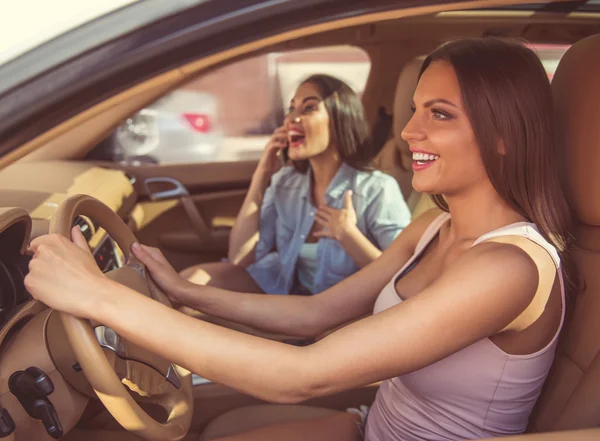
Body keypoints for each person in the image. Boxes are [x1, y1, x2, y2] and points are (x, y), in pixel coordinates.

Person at [26, 38, 575, 441]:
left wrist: (99, 296)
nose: (409, 132)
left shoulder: (510, 267)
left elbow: (303, 376)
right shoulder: (432, 228)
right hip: (371, 425)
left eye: (440, 114)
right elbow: (315, 315)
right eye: (414, 111)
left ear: (504, 133)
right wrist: (185, 292)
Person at [181, 74, 410, 296]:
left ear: (340, 120)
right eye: (291, 109)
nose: (291, 118)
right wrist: (261, 177)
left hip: (341, 309)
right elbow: (240, 259)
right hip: (286, 292)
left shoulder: (378, 188)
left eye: (309, 108)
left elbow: (402, 276)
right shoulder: (286, 182)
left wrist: (349, 236)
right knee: (192, 281)